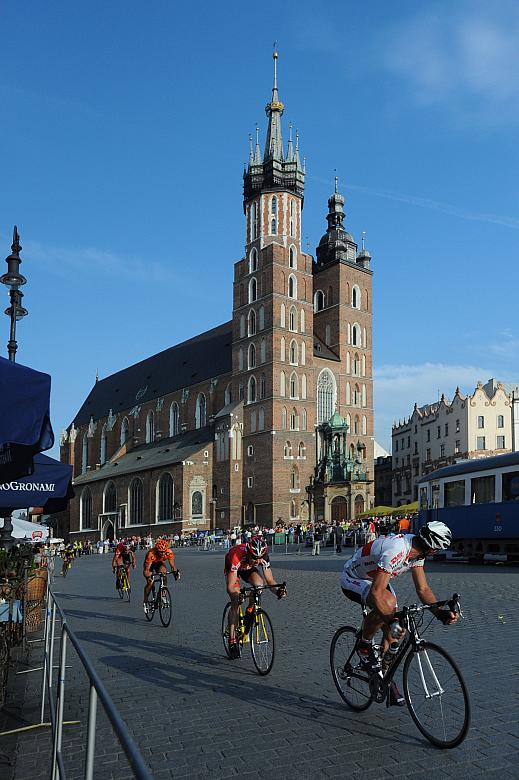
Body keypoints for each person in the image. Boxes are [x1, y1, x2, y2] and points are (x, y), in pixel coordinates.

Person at [340, 521, 457, 706]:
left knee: (394, 631)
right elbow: (376, 593)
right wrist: (391, 620)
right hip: (354, 578)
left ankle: (382, 677)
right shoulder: (397, 550)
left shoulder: (418, 553)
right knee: (388, 606)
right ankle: (364, 644)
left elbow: (423, 589)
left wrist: (440, 613)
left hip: (375, 577)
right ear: (432, 549)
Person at [224, 535, 286, 659]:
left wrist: (278, 591)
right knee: (236, 600)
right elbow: (230, 586)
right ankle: (232, 638)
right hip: (234, 567)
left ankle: (250, 611)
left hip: (247, 569)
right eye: (254, 558)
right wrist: (237, 595)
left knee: (259, 585)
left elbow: (270, 580)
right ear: (248, 553)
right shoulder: (236, 555)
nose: (257, 561)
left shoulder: (263, 558)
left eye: (260, 558)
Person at [143, 538, 180, 613]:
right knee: (150, 582)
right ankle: (145, 600)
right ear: (157, 550)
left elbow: (173, 566)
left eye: (164, 552)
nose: (162, 554)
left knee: (164, 573)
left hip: (159, 563)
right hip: (150, 564)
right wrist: (148, 576)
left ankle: (162, 594)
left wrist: (176, 573)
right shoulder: (151, 553)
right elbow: (146, 570)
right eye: (160, 552)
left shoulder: (169, 552)